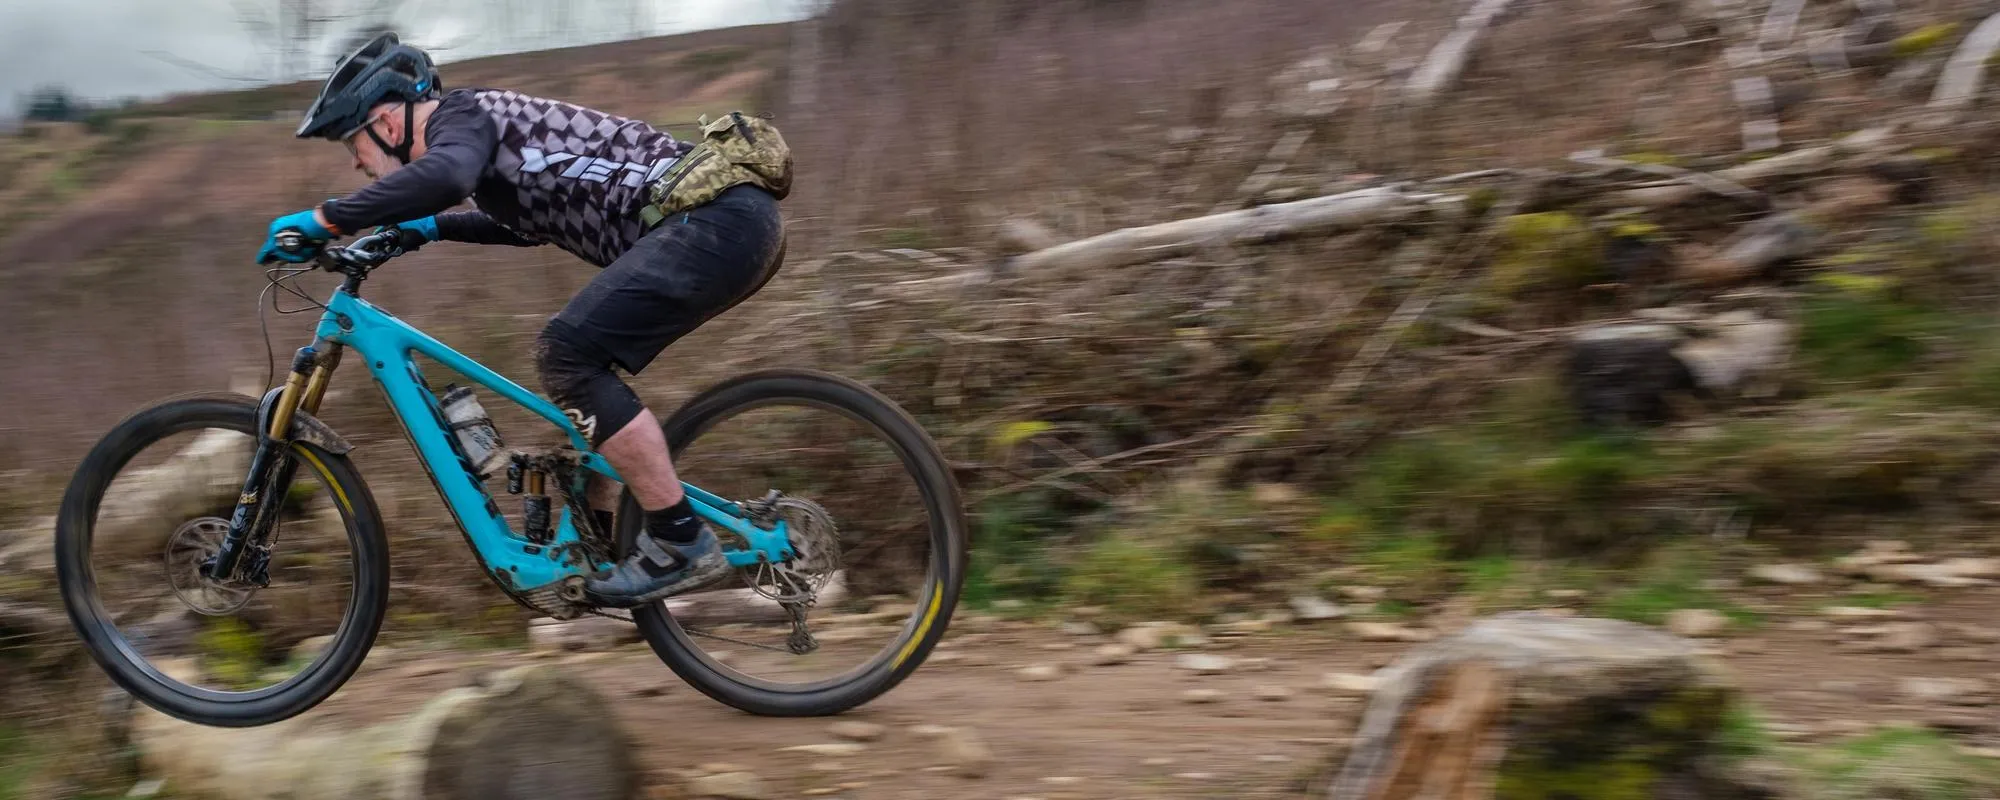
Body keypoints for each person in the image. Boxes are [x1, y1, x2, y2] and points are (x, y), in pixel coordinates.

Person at [258, 32, 788, 607]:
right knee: (584, 384)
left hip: (715, 224)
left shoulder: (461, 118)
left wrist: (325, 219)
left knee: (566, 354)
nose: (357, 164)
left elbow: (445, 179)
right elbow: (529, 218)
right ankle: (600, 550)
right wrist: (423, 230)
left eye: (351, 144)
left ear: (386, 124)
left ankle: (681, 541)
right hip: (726, 227)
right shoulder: (485, 140)